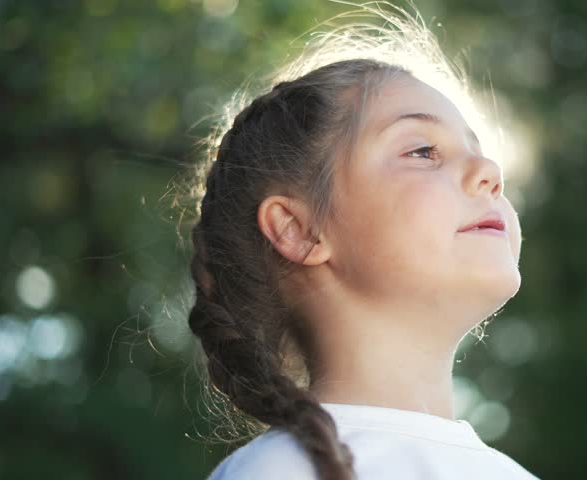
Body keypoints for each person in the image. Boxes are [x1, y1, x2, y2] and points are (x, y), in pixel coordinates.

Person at [184, 3, 538, 479]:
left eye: (479, 151)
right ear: (299, 229)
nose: (490, 173)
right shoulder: (277, 472)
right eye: (423, 151)